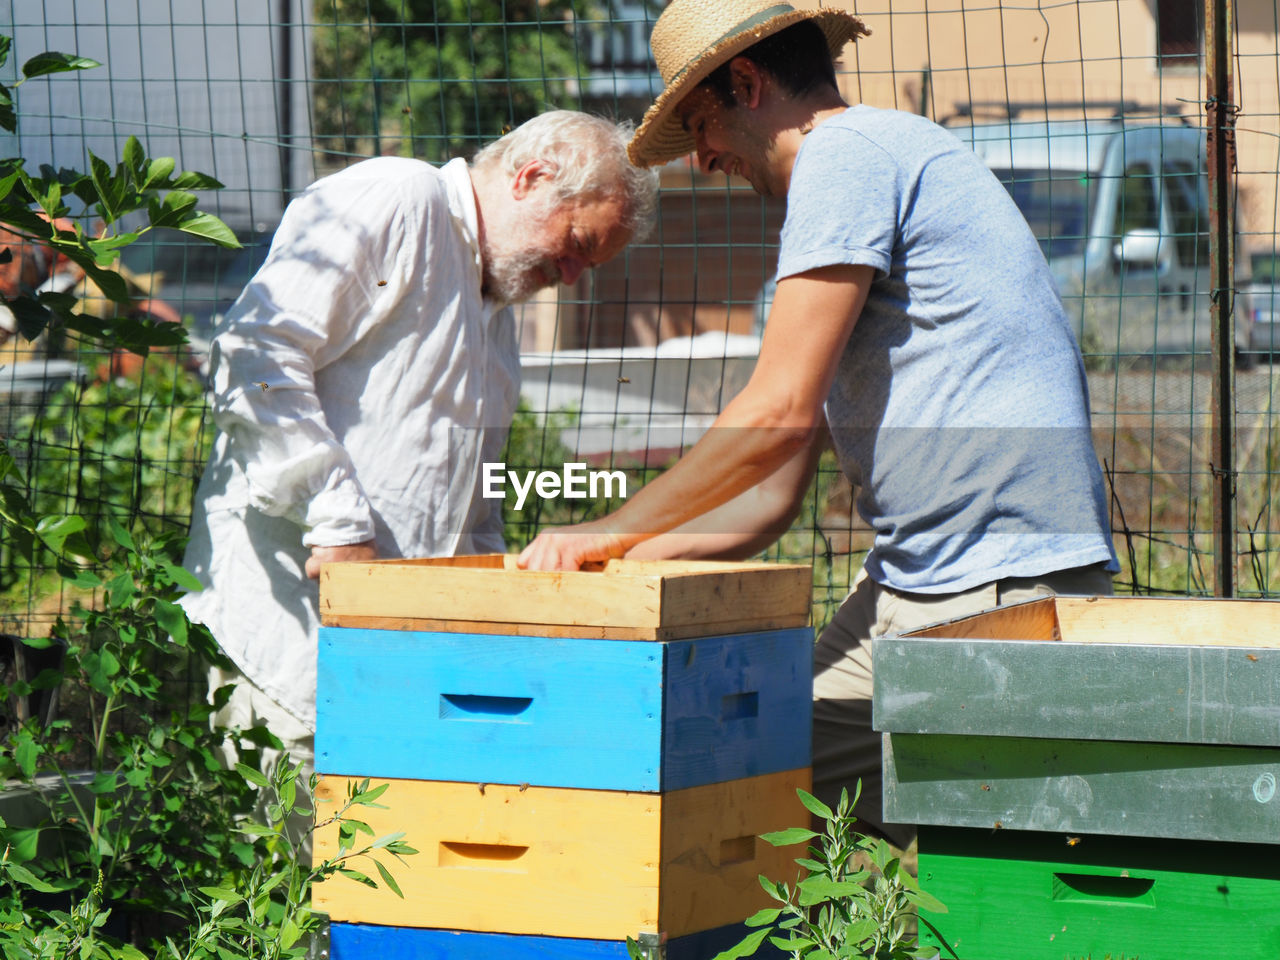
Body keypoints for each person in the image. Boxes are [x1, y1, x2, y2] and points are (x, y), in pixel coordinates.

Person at [517, 0, 1117, 846]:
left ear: (749, 84)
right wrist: (616, 560)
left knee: (987, 862)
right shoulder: (858, 193)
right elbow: (765, 501)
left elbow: (773, 417)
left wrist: (608, 525)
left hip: (998, 584)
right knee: (761, 777)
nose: (702, 158)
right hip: (922, 582)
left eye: (700, 124)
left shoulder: (846, 156)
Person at [180, 110, 659, 796]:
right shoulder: (399, 198)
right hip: (290, 638)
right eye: (578, 242)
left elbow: (463, 500)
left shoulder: (491, 305)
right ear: (531, 177)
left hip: (396, 661)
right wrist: (338, 519)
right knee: (287, 883)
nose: (575, 273)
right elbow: (255, 353)